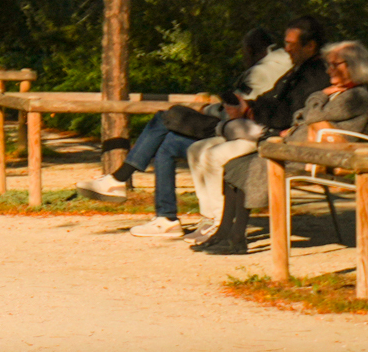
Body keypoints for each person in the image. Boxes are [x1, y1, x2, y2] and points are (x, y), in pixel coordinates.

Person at [79, 29, 278, 235]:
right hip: (234, 129)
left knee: (166, 118)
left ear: (251, 50)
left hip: (237, 132)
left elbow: (236, 109)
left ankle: (120, 180)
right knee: (168, 144)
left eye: (244, 52)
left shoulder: (260, 72)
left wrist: (208, 110)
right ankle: (165, 218)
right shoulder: (272, 68)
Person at [194, 37, 368, 254]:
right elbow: (303, 115)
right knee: (235, 165)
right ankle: (224, 233)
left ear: (354, 66)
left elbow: (311, 115)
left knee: (252, 167)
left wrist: (319, 95)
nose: (329, 70)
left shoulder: (357, 96)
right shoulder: (340, 93)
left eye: (336, 65)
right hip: (301, 151)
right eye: (329, 64)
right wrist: (313, 109)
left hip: (319, 157)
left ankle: (237, 239)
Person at [185, 17, 329, 250]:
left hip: (282, 137)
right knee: (196, 148)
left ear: (310, 45)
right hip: (265, 128)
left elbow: (289, 114)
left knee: (216, 155)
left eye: (291, 44)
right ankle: (210, 217)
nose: (287, 49)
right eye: (285, 43)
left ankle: (219, 223)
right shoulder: (298, 69)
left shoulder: (315, 74)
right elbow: (273, 99)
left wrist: (251, 111)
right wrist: (248, 107)